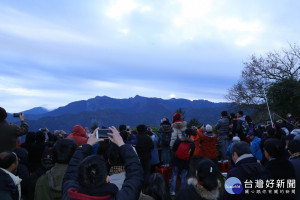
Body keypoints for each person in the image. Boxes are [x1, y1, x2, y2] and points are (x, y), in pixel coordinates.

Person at [62, 127, 144, 200]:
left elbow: (71, 171)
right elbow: (135, 174)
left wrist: (87, 145)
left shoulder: (69, 194)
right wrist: (121, 144)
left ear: (80, 176)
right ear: (107, 179)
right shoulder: (121, 197)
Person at [170, 128, 195, 196]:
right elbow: (191, 154)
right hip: (185, 162)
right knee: (184, 177)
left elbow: (174, 149)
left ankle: (172, 191)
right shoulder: (192, 144)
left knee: (174, 176)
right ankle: (182, 192)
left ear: (184, 133)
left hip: (176, 161)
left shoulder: (178, 140)